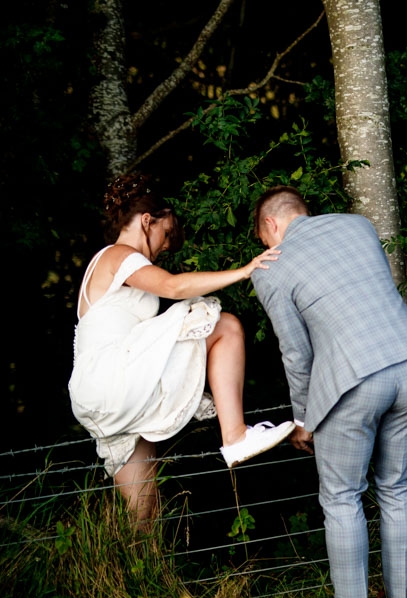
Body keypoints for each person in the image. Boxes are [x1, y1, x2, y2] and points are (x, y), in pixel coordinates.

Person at [251, 186, 407, 598]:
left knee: (341, 497)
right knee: (397, 487)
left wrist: (302, 419)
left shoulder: (271, 269)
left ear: (271, 226)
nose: (267, 249)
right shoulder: (359, 226)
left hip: (352, 379)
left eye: (265, 242)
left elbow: (296, 352)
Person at [69, 174, 294, 531]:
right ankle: (235, 436)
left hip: (97, 394)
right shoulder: (118, 255)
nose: (163, 246)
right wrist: (245, 270)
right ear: (147, 221)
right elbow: (173, 287)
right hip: (114, 375)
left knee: (143, 514)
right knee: (224, 326)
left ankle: (138, 580)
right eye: (165, 233)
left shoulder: (110, 265)